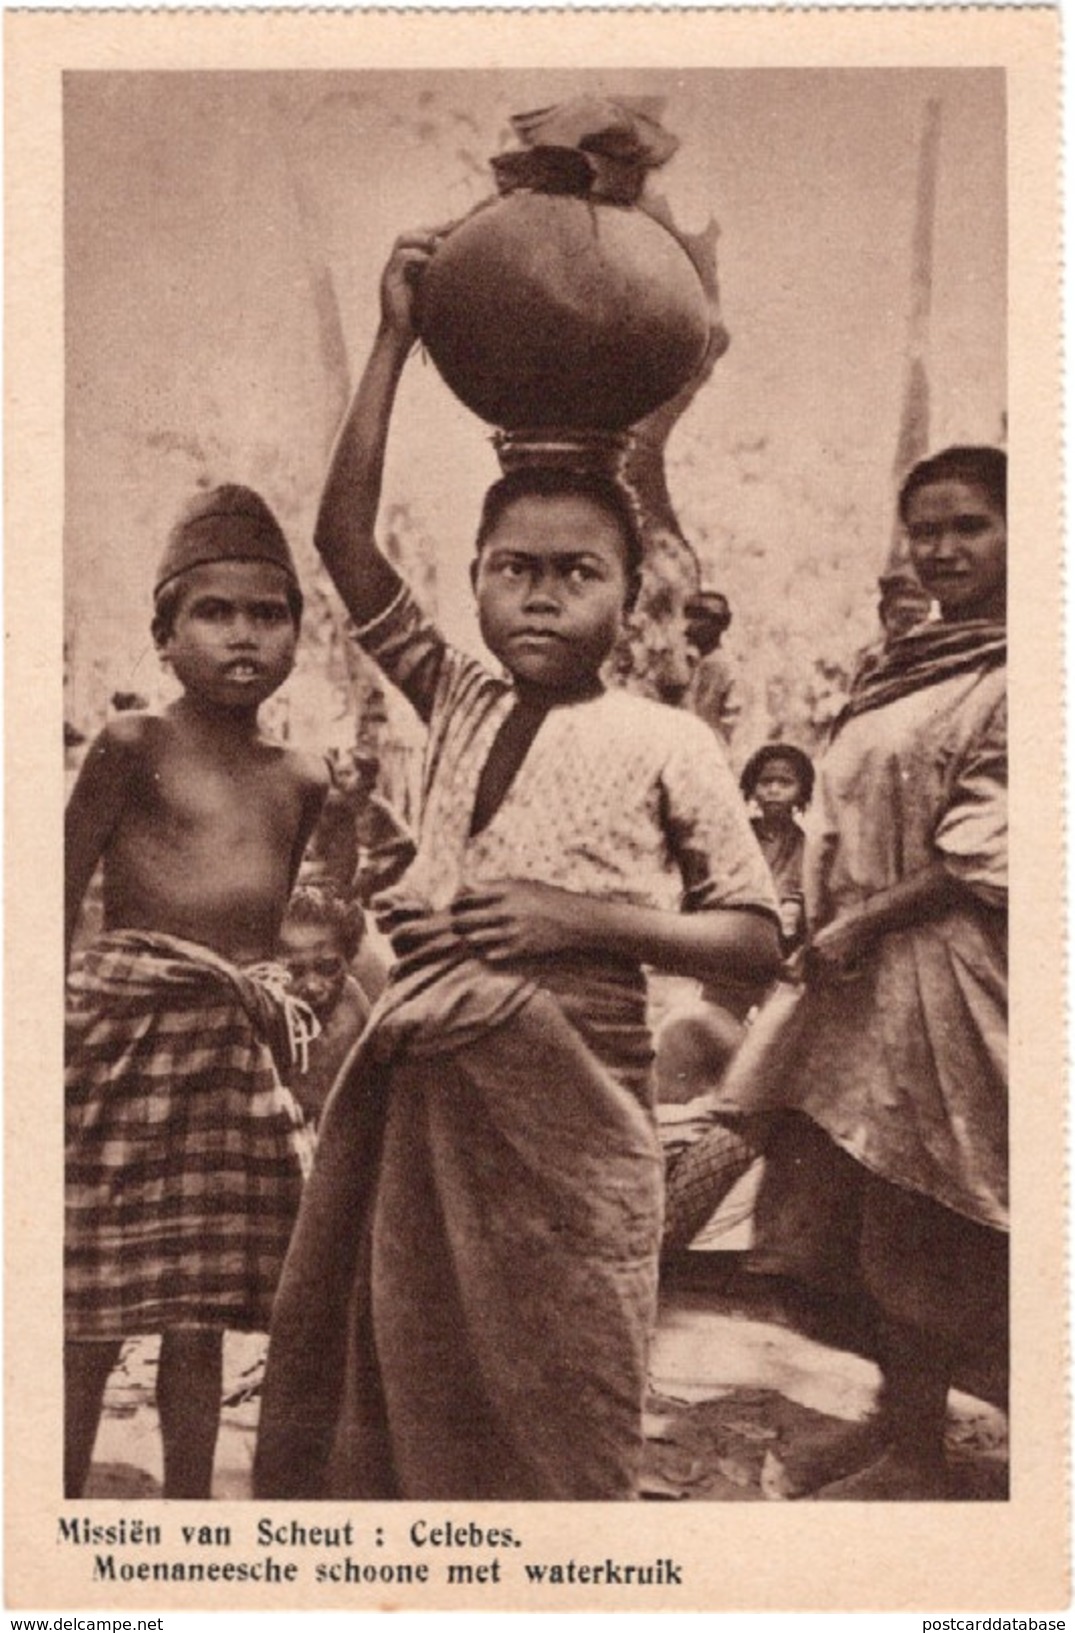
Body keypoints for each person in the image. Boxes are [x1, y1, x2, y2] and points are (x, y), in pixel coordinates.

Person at [254, 231, 782, 1502]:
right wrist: (393, 336)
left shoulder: (668, 738)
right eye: (514, 572)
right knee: (406, 1384)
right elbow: (342, 542)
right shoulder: (459, 699)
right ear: (479, 583)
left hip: (576, 1107)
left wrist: (566, 915)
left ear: (630, 593)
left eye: (576, 574)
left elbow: (757, 940)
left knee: (565, 1392)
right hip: (426, 1086)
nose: (541, 598)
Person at [748, 446, 1008, 1500]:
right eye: (925, 529)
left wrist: (867, 922)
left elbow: (991, 848)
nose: (942, 549)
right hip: (861, 970)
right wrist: (820, 914)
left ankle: (917, 1453)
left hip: (949, 969)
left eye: (969, 527)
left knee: (925, 1216)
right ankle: (891, 1422)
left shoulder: (1028, 670)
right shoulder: (910, 658)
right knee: (837, 1212)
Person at [63, 484, 328, 1499]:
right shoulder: (133, 746)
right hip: (122, 1043)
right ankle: (57, 1511)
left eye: (269, 613)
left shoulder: (302, 777)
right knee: (90, 1299)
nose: (245, 635)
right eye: (215, 613)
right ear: (165, 635)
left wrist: (299, 1020)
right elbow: (54, 888)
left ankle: (186, 1511)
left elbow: (305, 932)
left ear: (298, 631)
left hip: (229, 1057)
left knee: (198, 1306)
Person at [278, 883, 372, 1126]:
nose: (311, 986)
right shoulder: (265, 1010)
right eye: (294, 972)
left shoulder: (354, 1006)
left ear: (348, 959)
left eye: (328, 968)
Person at [300, 745, 416, 906]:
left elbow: (409, 843)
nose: (341, 780)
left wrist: (378, 863)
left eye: (348, 774)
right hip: (343, 874)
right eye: (339, 774)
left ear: (366, 779)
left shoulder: (378, 809)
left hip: (369, 880)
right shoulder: (337, 808)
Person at [739, 742, 815, 954]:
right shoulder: (740, 838)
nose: (774, 790)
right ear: (752, 788)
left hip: (784, 944)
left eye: (785, 783)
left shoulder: (806, 846)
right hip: (736, 934)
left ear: (802, 792)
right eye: (766, 782)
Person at [683, 589, 743, 745]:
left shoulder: (727, 667)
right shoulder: (686, 661)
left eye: (701, 617)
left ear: (721, 624)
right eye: (691, 616)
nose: (692, 624)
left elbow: (730, 725)